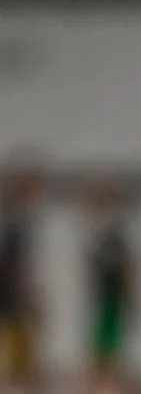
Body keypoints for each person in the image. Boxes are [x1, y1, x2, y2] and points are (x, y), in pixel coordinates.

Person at [81, 177, 140, 394]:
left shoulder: (115, 228)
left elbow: (129, 263)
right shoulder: (97, 227)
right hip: (102, 292)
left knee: (109, 341)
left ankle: (108, 379)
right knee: (101, 340)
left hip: (112, 292)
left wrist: (133, 290)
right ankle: (102, 377)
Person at [0, 159, 45, 394]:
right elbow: (16, 264)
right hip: (14, 299)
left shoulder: (17, 220)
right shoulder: (16, 222)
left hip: (13, 297)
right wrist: (28, 296)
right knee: (18, 355)